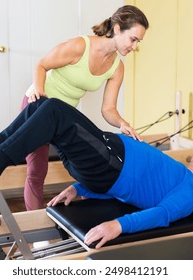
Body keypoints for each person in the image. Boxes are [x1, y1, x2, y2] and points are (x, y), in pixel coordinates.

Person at [0, 97, 193, 249]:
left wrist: (117, 226)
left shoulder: (191, 189)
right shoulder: (179, 174)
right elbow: (129, 193)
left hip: (109, 162)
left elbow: (161, 215)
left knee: (54, 112)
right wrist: (79, 189)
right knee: (43, 105)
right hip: (104, 161)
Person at [20, 5, 149, 211]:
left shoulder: (117, 67)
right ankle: (35, 233)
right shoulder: (81, 46)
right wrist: (39, 91)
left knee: (88, 162)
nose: (134, 46)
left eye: (138, 42)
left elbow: (108, 109)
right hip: (38, 104)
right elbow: (41, 65)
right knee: (37, 170)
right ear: (117, 29)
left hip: (62, 117)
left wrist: (123, 123)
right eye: (133, 39)